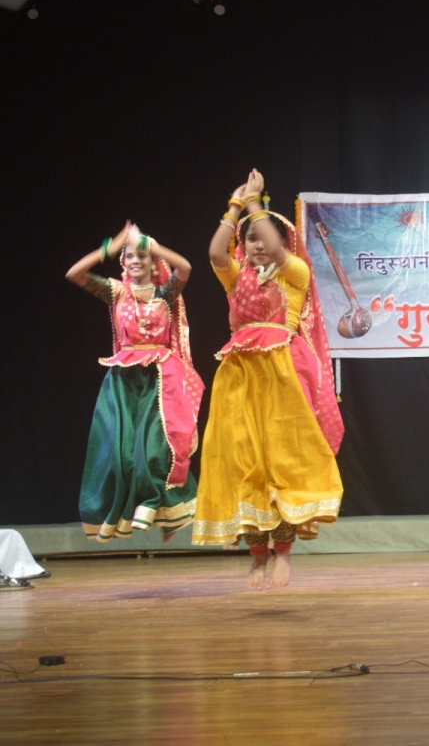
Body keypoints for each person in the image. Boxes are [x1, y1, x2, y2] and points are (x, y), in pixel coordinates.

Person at [192, 170, 344, 590]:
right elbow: (216, 254)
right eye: (251, 239)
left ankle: (282, 554)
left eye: (264, 238)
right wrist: (234, 208)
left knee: (281, 464)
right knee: (243, 464)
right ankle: (256, 556)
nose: (258, 245)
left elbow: (275, 247)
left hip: (281, 377)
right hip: (238, 378)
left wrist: (257, 203)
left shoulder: (294, 274)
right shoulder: (235, 275)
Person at [65, 222, 203, 542]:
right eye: (130, 257)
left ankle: (155, 505)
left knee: (155, 450)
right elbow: (75, 274)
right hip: (124, 380)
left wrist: (149, 244)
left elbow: (185, 266)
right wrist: (110, 248)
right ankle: (126, 511)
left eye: (143, 256)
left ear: (154, 261)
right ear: (123, 262)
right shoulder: (116, 291)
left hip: (160, 379)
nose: (136, 260)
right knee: (123, 455)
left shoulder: (166, 292)